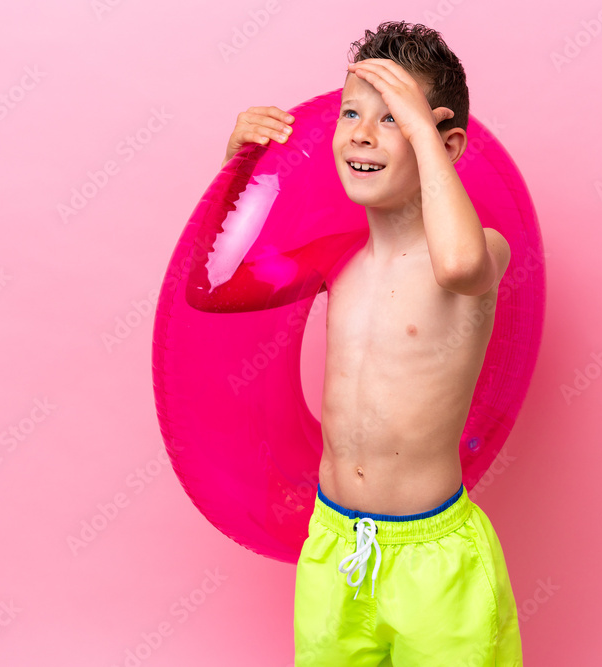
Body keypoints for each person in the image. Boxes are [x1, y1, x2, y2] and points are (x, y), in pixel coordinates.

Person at [221, 20, 523, 666]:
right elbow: (222, 284)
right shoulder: (338, 260)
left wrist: (422, 131)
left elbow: (461, 265)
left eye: (391, 120)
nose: (360, 132)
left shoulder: (482, 254)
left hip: (432, 563)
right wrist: (239, 167)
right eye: (352, 112)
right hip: (336, 549)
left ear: (445, 142)